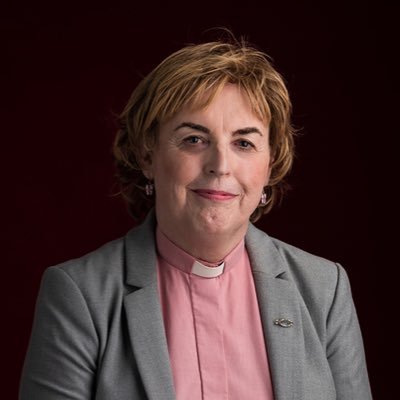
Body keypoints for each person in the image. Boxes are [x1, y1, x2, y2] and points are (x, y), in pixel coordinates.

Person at [19, 37, 372, 400]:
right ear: (146, 154)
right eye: (193, 139)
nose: (220, 165)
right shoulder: (81, 294)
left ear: (271, 165)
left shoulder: (324, 289)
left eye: (244, 143)